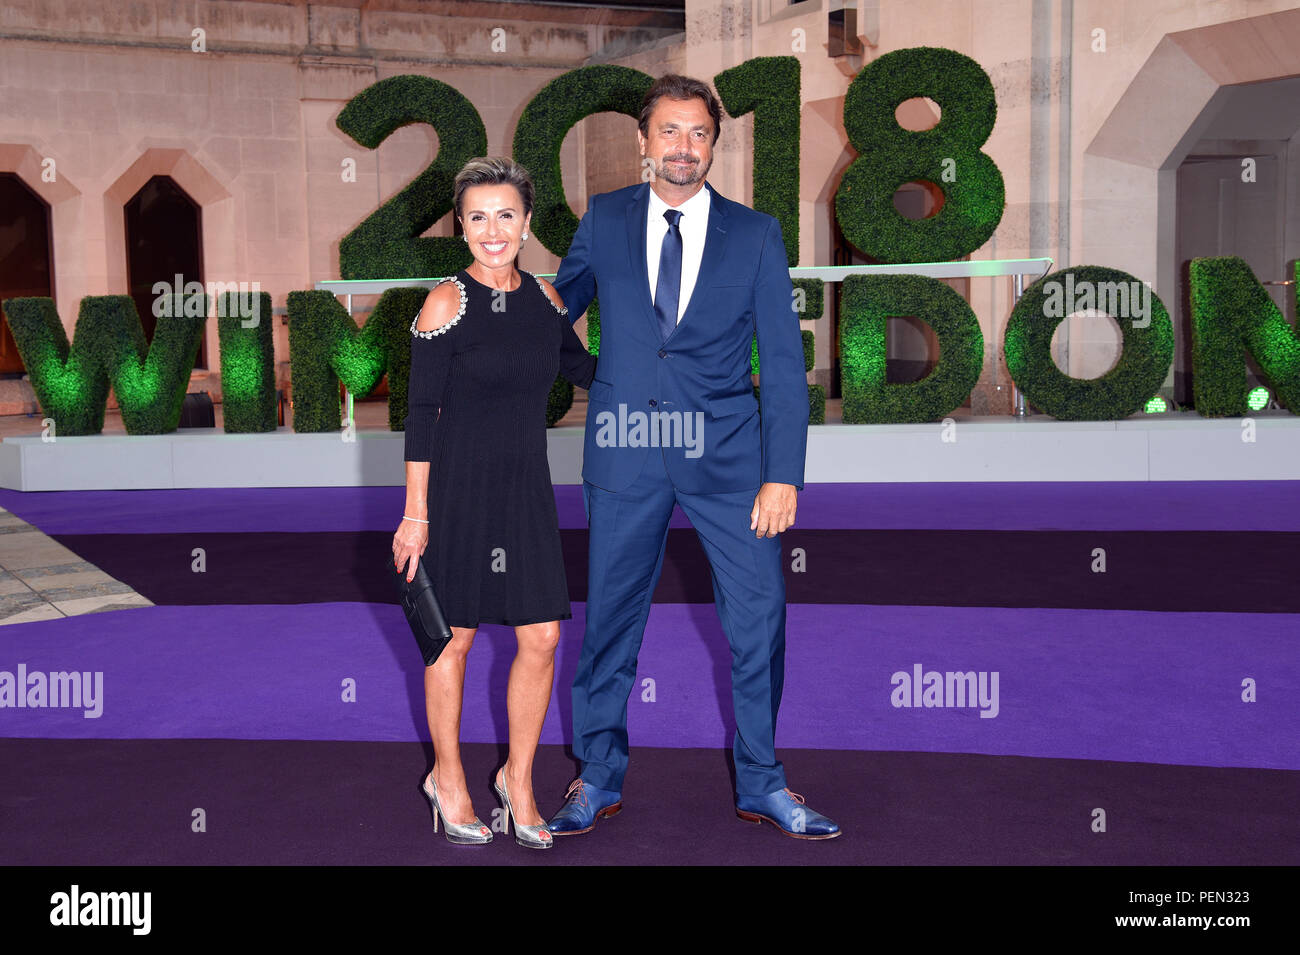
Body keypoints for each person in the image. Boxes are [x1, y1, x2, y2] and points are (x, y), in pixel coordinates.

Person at [546, 75, 840, 839]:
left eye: (699, 133)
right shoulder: (604, 218)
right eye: (669, 132)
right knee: (609, 621)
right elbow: (558, 307)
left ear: (714, 142)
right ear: (643, 141)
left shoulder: (756, 232)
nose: (683, 147)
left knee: (759, 622)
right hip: (624, 455)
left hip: (731, 461)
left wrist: (784, 473)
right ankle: (597, 773)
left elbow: (781, 362)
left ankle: (762, 780)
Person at [393, 156, 595, 849]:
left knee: (541, 636)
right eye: (477, 216)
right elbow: (420, 415)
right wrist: (415, 513)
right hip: (455, 494)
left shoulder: (546, 299)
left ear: (528, 223)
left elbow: (588, 372)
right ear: (461, 224)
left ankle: (517, 776)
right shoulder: (446, 302)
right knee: (456, 638)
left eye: (506, 215)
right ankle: (447, 777)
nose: (492, 229)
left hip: (526, 492)